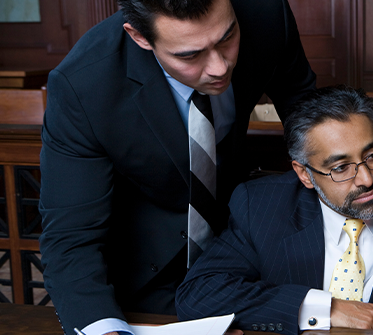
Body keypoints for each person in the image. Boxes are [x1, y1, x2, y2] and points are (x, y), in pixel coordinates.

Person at [38, 0, 316, 334]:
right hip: (148, 277)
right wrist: (104, 328)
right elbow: (70, 238)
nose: (219, 67)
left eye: (227, 37)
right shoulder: (84, 85)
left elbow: (307, 111)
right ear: (139, 37)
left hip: (244, 253)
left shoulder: (265, 14)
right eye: (189, 55)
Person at [176, 85, 373, 334]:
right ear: (305, 174)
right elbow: (198, 294)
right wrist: (324, 309)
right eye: (340, 168)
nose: (367, 179)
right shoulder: (262, 206)